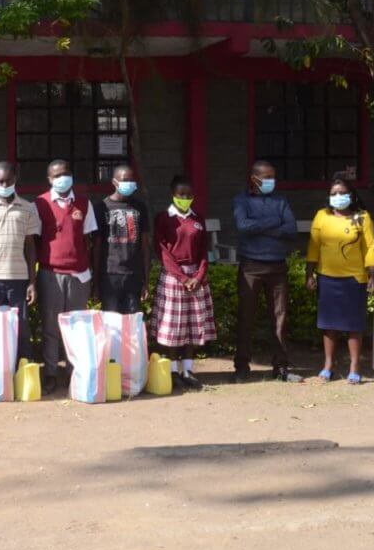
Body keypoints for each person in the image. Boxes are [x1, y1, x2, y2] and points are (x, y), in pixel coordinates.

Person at [305, 176, 374, 385]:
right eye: (333, 193)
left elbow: (370, 247)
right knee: (329, 326)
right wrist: (309, 274)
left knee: (354, 325)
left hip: (354, 279)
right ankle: (328, 365)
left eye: (342, 193)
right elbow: (313, 247)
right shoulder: (321, 216)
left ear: (351, 195)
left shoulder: (362, 217)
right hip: (327, 278)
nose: (338, 197)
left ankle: (355, 367)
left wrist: (372, 275)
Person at [0, 162, 41, 383]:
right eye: (0, 181)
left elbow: (31, 247)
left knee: (21, 330)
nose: (4, 185)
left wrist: (32, 282)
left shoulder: (28, 207)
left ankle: (22, 379)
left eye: (8, 181)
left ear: (15, 179)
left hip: (19, 281)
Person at [34, 159, 98, 393]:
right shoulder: (40, 203)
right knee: (50, 328)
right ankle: (51, 373)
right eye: (57, 175)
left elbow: (89, 240)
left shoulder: (83, 203)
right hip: (51, 274)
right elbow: (35, 241)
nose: (62, 178)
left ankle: (75, 372)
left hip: (79, 274)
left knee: (77, 328)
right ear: (49, 179)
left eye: (66, 173)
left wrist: (92, 275)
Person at [232, 160, 298, 382]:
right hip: (251, 266)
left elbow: (291, 229)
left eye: (273, 177)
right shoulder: (241, 200)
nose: (271, 181)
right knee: (246, 318)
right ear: (254, 178)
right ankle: (241, 367)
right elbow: (243, 226)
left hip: (278, 266)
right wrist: (273, 222)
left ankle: (280, 367)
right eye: (267, 177)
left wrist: (259, 226)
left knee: (280, 318)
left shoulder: (281, 200)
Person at [152, 175, 217, 391]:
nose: (186, 198)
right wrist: (182, 277)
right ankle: (171, 370)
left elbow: (203, 252)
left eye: (189, 195)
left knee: (192, 326)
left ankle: (188, 370)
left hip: (196, 278)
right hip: (174, 276)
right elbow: (162, 251)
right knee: (173, 326)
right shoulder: (164, 218)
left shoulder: (198, 218)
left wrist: (198, 277)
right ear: (173, 194)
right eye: (181, 194)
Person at [95, 164, 151, 314]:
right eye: (125, 180)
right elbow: (97, 247)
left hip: (133, 275)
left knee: (132, 326)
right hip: (109, 275)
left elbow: (145, 246)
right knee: (111, 324)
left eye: (132, 180)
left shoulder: (140, 207)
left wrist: (146, 281)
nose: (129, 183)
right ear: (114, 182)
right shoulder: (101, 207)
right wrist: (95, 282)